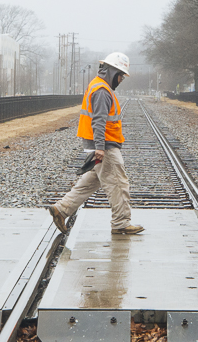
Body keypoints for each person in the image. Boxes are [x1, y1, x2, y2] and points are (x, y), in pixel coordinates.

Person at [49, 53, 144, 236]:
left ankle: (61, 210)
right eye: (121, 75)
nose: (122, 79)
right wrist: (100, 147)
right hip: (105, 146)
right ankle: (121, 223)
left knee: (90, 182)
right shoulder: (102, 91)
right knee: (118, 183)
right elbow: (99, 121)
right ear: (113, 72)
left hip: (100, 144)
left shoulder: (98, 86)